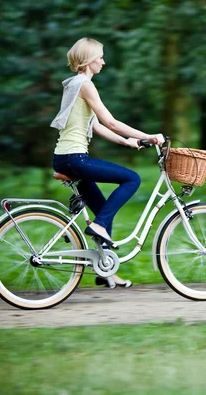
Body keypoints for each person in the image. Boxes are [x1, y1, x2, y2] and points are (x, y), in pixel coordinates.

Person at [51, 37, 164, 288]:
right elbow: (111, 121)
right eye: (100, 56)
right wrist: (149, 136)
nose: (103, 61)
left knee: (104, 211)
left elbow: (97, 126)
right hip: (74, 159)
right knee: (132, 178)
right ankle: (100, 227)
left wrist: (128, 142)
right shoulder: (85, 85)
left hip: (65, 158)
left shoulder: (76, 85)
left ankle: (105, 271)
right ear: (89, 60)